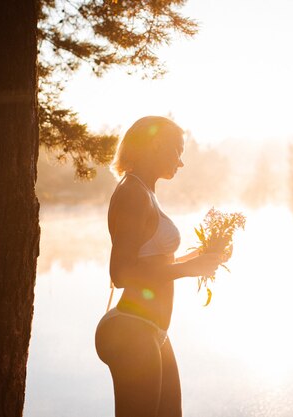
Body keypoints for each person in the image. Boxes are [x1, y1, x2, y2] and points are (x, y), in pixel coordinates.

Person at [95, 116, 223, 417]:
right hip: (131, 330)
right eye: (177, 150)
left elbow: (152, 264)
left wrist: (200, 258)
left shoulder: (144, 192)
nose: (181, 162)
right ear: (155, 146)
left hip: (151, 330)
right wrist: (190, 269)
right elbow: (122, 273)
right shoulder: (132, 193)